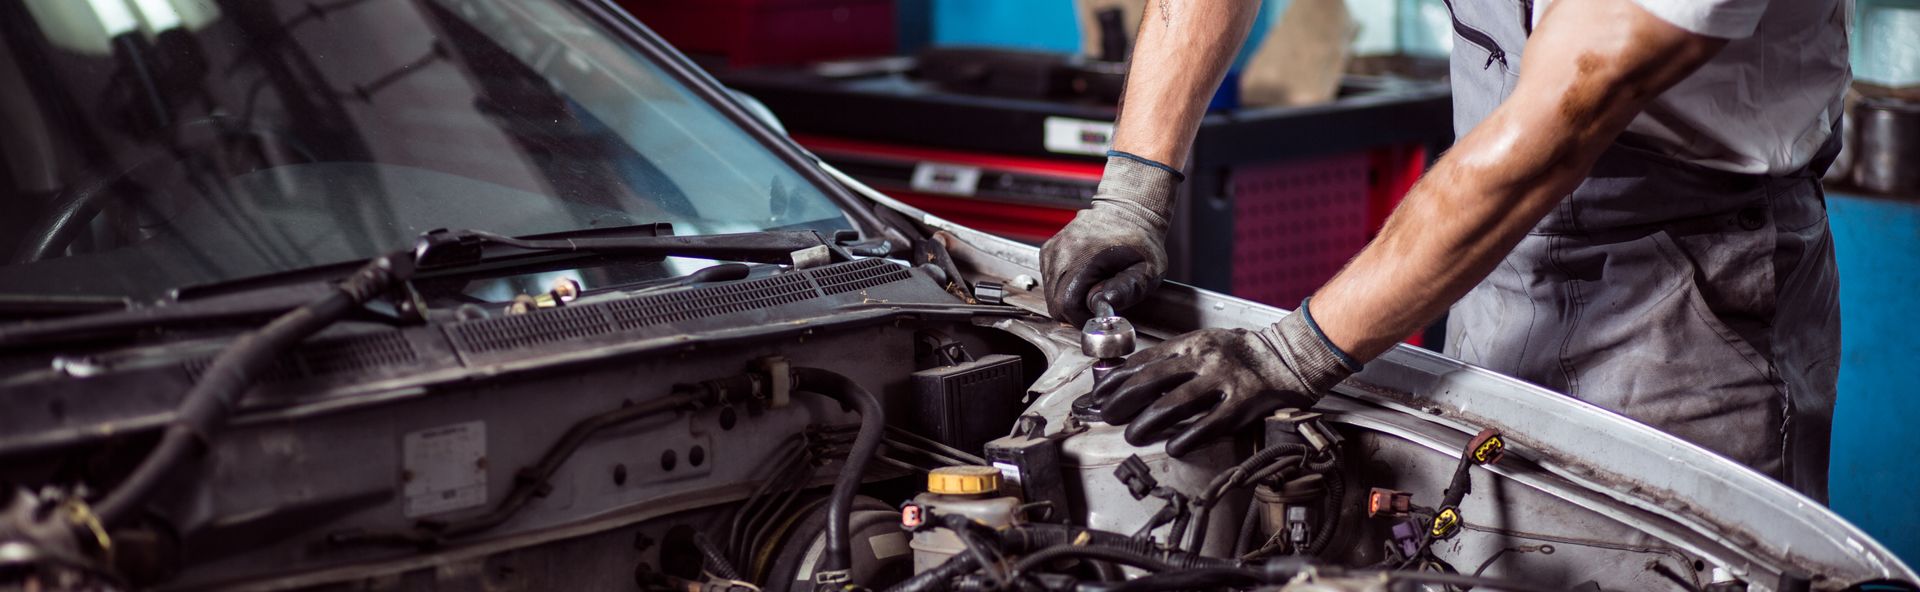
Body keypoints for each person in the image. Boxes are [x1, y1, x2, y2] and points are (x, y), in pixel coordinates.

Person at [1041, 0, 1848, 501]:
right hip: (1490, 253)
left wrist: (1293, 354)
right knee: (1481, 536)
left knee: (1643, 558)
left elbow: (1565, 117)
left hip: (1684, 294)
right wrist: (1133, 189)